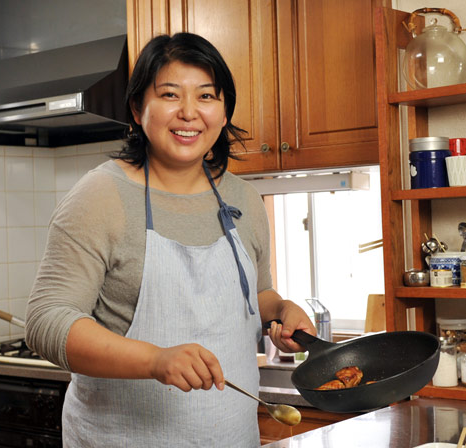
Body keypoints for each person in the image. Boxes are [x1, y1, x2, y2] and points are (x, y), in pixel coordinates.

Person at [25, 32, 315, 447]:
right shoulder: (100, 197)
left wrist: (282, 309)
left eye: (206, 96)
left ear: (224, 111)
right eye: (170, 95)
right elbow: (46, 320)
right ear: (137, 108)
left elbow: (257, 294)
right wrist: (155, 360)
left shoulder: (244, 200)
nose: (189, 113)